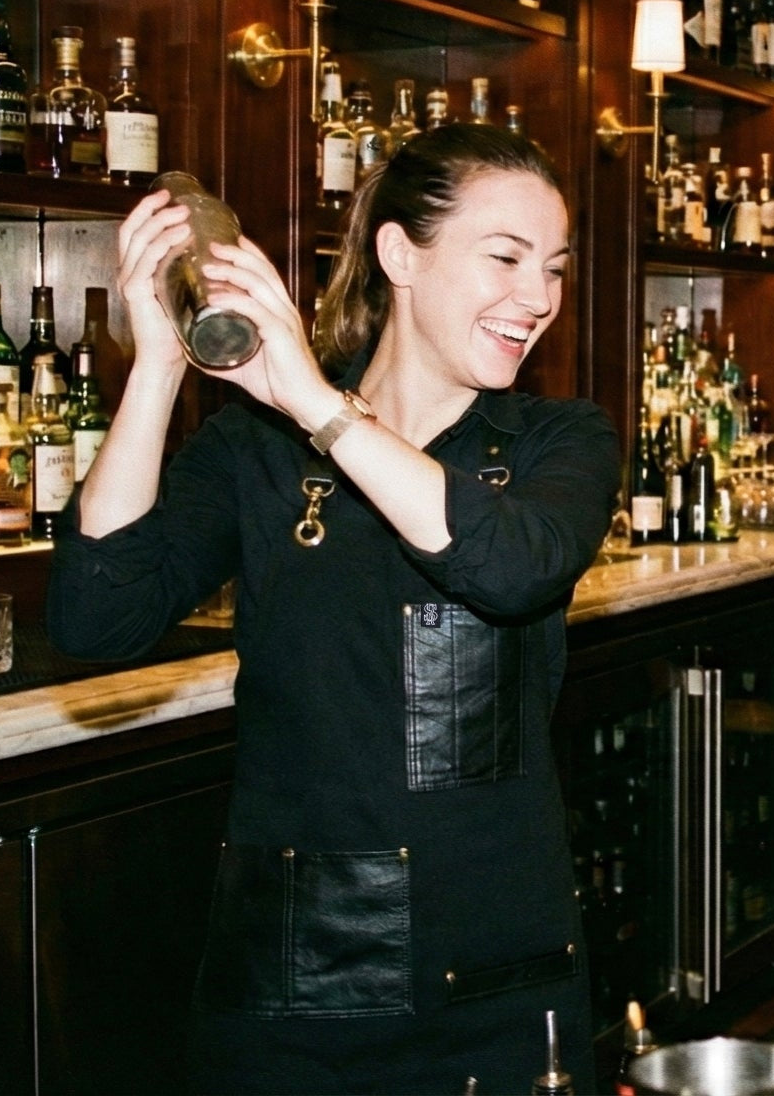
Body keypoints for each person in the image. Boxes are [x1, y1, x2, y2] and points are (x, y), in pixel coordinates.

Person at [47, 123, 620, 1095]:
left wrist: (318, 403)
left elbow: (509, 566)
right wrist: (157, 366)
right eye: (507, 258)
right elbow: (96, 619)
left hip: (497, 973)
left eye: (554, 269)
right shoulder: (259, 454)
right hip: (295, 983)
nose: (540, 299)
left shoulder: (558, 442)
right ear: (402, 254)